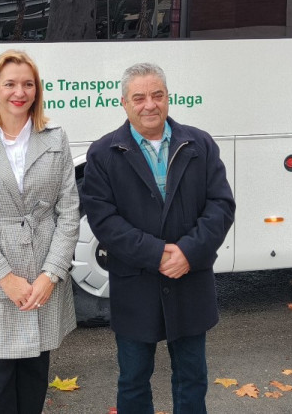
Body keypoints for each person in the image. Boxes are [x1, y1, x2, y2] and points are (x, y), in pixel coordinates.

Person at [80, 63, 235, 414]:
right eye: (139, 97)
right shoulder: (103, 154)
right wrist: (156, 254)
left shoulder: (200, 144)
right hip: (136, 285)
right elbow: (104, 221)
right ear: (124, 103)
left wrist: (188, 252)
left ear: (168, 98)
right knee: (133, 380)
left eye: (157, 95)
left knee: (192, 377)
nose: (149, 104)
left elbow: (221, 206)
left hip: (190, 280)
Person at [0, 50, 80, 413]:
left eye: (28, 84)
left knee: (33, 384)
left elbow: (69, 211)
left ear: (37, 91)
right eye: (9, 83)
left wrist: (50, 275)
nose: (19, 92)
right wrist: (4, 279)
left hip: (43, 279)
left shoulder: (55, 139)